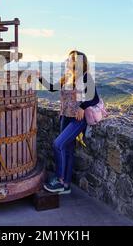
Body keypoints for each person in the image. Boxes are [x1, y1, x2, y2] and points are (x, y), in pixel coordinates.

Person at [38, 50, 99, 194]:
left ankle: (59, 180)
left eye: (70, 59)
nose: (67, 60)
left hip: (77, 120)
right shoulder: (67, 77)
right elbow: (53, 88)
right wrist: (40, 78)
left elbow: (94, 98)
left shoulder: (85, 77)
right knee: (68, 151)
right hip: (64, 117)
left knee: (58, 144)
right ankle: (66, 185)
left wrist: (83, 108)